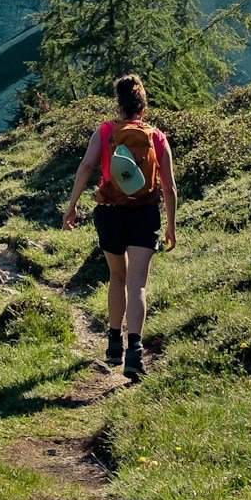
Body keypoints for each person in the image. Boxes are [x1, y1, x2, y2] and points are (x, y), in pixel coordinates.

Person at [61, 72, 177, 381]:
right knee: (137, 284)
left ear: (119, 105)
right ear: (143, 106)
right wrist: (171, 226)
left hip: (110, 212)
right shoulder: (156, 137)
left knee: (116, 277)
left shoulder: (105, 131)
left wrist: (72, 206)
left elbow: (86, 166)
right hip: (145, 214)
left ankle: (113, 343)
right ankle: (134, 352)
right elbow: (169, 187)